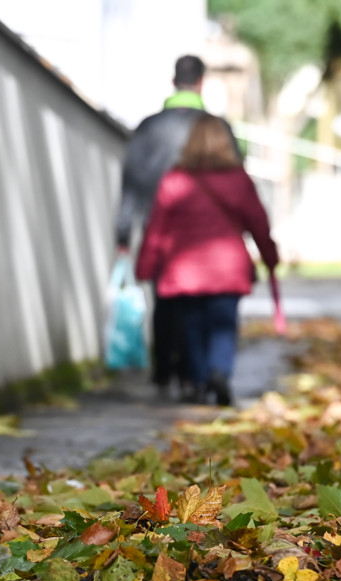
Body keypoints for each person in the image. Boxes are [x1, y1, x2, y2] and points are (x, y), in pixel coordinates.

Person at [115, 55, 241, 398]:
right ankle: (192, 375)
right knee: (199, 309)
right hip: (210, 237)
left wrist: (124, 231)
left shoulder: (148, 127)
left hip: (160, 230)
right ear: (201, 82)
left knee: (167, 303)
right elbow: (237, 179)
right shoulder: (217, 127)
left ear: (174, 82)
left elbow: (131, 181)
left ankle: (164, 371)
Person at [133, 112, 279, 406]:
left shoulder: (174, 180)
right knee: (224, 324)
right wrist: (269, 256)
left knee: (192, 328)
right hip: (228, 269)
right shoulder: (239, 181)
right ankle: (220, 373)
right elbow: (258, 223)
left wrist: (145, 265)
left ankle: (199, 381)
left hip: (185, 270)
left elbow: (156, 228)